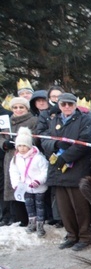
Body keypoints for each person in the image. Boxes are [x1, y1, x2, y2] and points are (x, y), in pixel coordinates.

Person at [41, 92, 91, 251]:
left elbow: (84, 142)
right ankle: (71, 235)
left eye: (70, 104)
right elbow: (45, 140)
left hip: (76, 167)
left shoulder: (84, 119)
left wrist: (65, 157)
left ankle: (85, 236)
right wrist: (55, 147)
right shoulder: (54, 120)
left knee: (79, 205)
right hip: (57, 170)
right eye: (63, 104)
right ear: (59, 105)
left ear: (75, 104)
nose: (66, 107)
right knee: (64, 207)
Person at [2, 96, 38, 227]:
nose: (18, 110)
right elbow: (1, 136)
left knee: (27, 186)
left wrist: (23, 143)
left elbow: (36, 138)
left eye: (21, 107)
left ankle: (30, 217)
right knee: (13, 186)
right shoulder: (7, 121)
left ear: (26, 108)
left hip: (27, 158)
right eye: (15, 107)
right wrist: (4, 144)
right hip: (10, 157)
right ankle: (16, 217)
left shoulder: (33, 120)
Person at [8, 127, 48, 236]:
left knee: (39, 206)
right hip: (25, 187)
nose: (22, 148)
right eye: (19, 146)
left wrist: (38, 181)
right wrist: (16, 184)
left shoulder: (38, 158)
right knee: (29, 206)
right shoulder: (16, 158)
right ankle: (32, 222)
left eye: (24, 145)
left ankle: (40, 224)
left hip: (38, 187)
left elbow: (45, 171)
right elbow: (13, 171)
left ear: (29, 145)